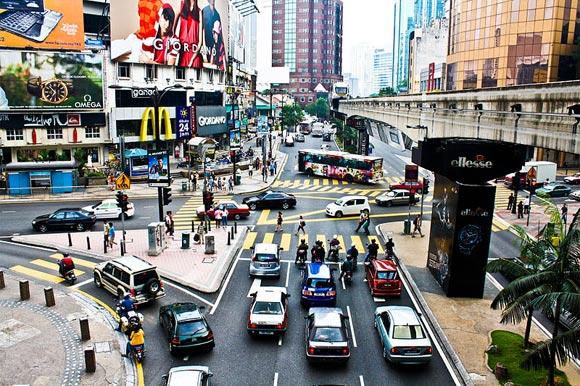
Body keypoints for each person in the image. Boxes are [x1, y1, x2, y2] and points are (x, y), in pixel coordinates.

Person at [176, 0, 203, 68]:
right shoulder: (181, 6)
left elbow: (200, 42)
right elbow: (172, 31)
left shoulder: (199, 12)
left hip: (194, 56)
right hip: (182, 53)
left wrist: (192, 59)